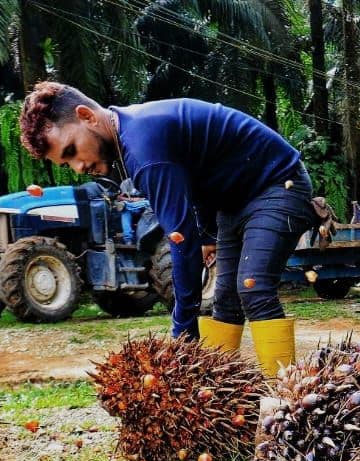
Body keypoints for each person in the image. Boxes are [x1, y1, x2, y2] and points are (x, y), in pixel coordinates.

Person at [19, 82, 316, 375]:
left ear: (86, 116)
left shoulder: (143, 148)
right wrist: (209, 234)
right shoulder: (129, 131)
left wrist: (183, 338)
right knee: (225, 301)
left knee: (253, 288)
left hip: (278, 183)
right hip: (234, 203)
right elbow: (203, 170)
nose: (78, 167)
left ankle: (286, 403)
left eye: (71, 150)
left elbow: (181, 241)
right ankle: (216, 394)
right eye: (66, 162)